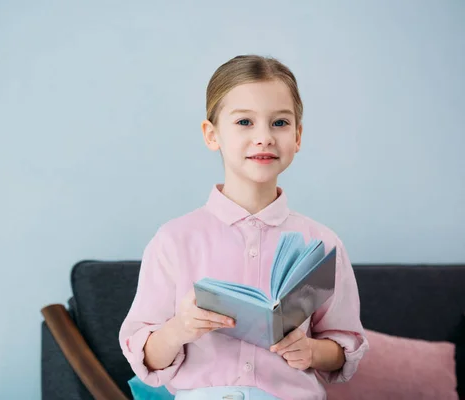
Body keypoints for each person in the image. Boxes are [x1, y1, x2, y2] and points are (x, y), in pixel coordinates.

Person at [119, 54, 369, 400]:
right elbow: (145, 355)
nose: (264, 137)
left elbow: (345, 343)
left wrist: (311, 350)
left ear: (297, 136)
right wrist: (181, 328)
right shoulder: (175, 240)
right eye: (244, 122)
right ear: (212, 135)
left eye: (280, 123)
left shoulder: (322, 243)